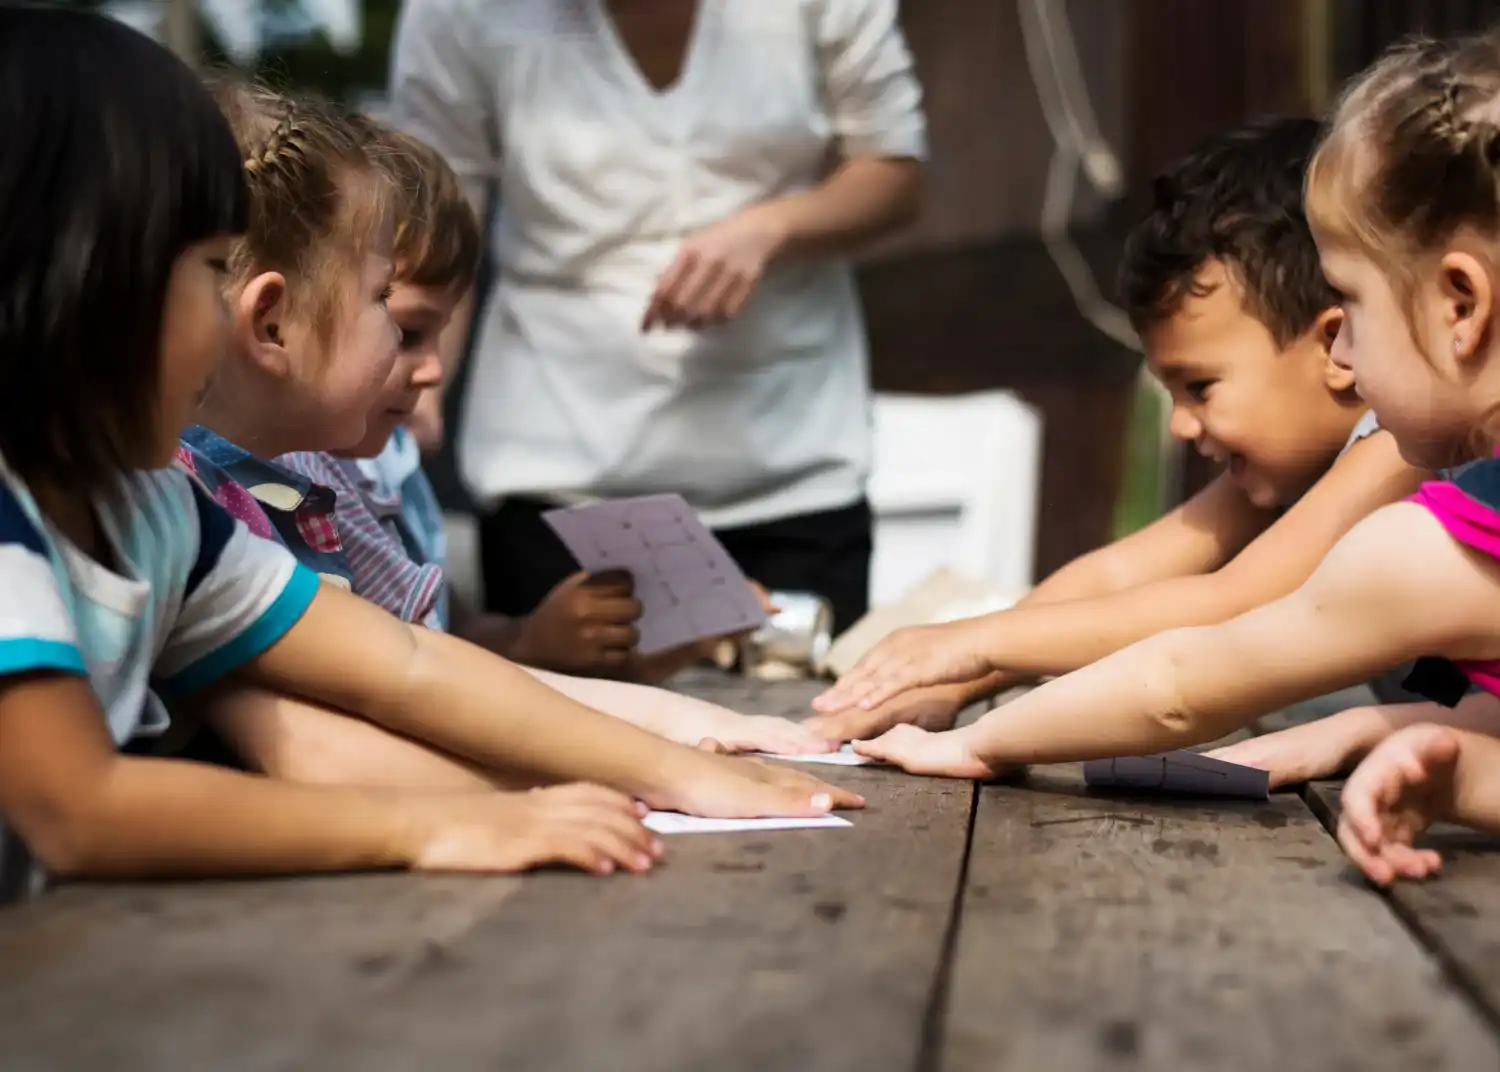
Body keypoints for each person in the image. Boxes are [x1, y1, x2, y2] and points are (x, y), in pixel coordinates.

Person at [0, 9, 859, 887]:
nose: (230, 318)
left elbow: (405, 662)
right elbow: (78, 811)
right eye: (211, 270)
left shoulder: (156, 512)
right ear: (92, 278)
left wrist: (681, 771)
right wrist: (434, 826)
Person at [854, 30, 1500, 890]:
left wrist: (974, 733)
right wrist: (1424, 745)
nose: (1341, 345)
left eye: (1348, 297)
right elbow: (1141, 575)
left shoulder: (1434, 538)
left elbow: (1183, 678)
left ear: (1461, 304)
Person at [809, 117, 1430, 739]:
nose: (1183, 425)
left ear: (1333, 347)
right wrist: (954, 683)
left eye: (1201, 387)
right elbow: (1118, 575)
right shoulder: (1289, 472)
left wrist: (982, 641)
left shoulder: (1405, 447)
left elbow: (1233, 601)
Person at [388, 0, 928, 636]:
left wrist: (773, 228)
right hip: (558, 467)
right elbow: (445, 217)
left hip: (792, 462)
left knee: (806, 724)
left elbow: (897, 169)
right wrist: (413, 377)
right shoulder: (457, 12)